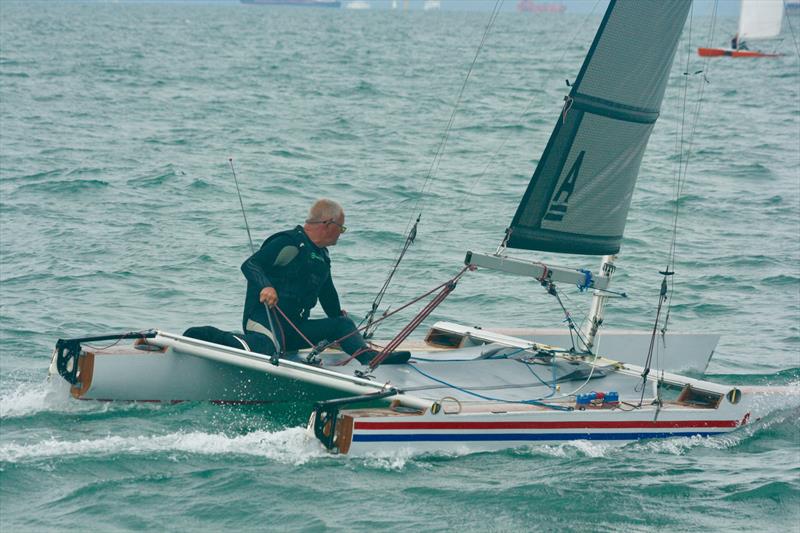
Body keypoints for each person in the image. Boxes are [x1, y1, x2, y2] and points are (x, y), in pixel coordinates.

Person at [239, 198, 409, 365]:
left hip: (294, 328)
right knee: (269, 347)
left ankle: (369, 358)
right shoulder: (289, 243)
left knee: (343, 324)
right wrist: (266, 286)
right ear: (328, 224)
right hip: (263, 321)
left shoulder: (321, 256)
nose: (341, 233)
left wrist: (341, 332)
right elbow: (250, 264)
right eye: (341, 228)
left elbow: (328, 295)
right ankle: (212, 335)